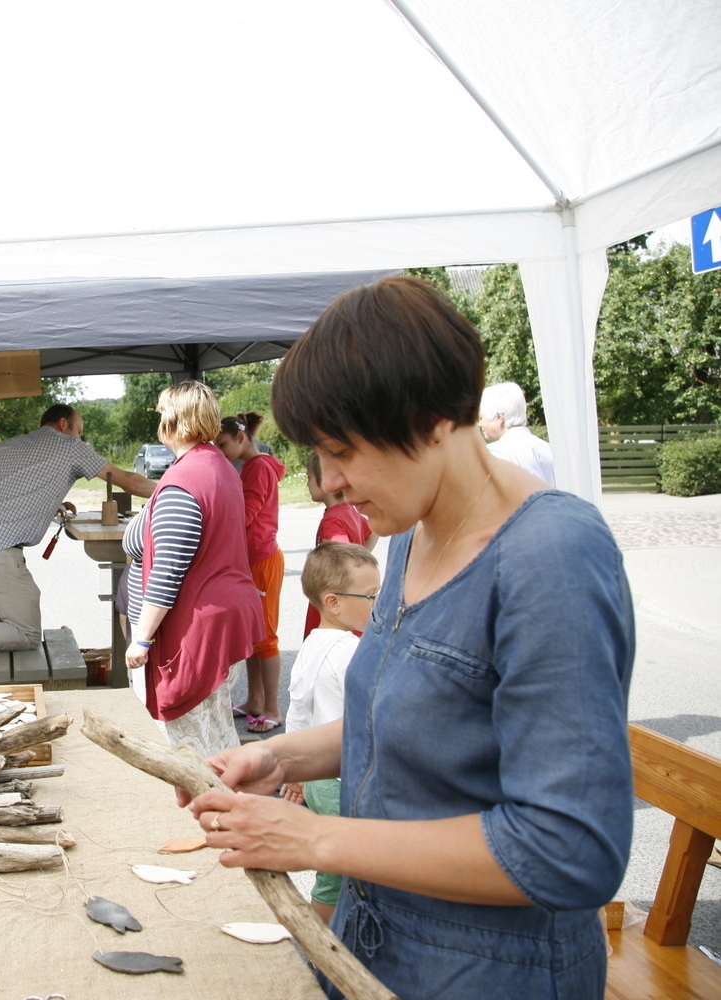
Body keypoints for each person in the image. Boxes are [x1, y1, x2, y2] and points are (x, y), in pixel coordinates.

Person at [183, 275, 634, 1000]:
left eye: (342, 451)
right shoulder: (414, 531)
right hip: (376, 943)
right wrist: (276, 755)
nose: (327, 483)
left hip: (487, 973)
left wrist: (314, 840)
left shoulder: (550, 556)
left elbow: (567, 851)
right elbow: (403, 717)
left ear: (430, 420)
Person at [0, 404, 155, 686]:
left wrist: (25, 507)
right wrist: (174, 487)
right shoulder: (71, 447)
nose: (81, 439)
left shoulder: (4, 447)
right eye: (80, 432)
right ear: (64, 425)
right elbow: (128, 480)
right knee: (27, 633)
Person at [120, 382, 265, 760]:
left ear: (171, 423)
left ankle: (211, 813)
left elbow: (167, 570)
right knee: (216, 732)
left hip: (195, 631)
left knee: (189, 746)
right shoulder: (217, 465)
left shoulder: (185, 481)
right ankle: (229, 806)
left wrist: (142, 638)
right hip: (222, 620)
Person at [281, 541, 379, 923]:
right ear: (334, 602)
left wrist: (299, 773)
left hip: (321, 780)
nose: (379, 603)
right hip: (345, 781)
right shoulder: (350, 651)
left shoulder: (312, 644)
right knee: (339, 874)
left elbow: (298, 708)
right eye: (371, 596)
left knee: (338, 869)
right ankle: (318, 943)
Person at [215, 411, 287, 733]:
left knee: (266, 638)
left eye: (222, 444)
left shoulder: (257, 468)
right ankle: (254, 700)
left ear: (241, 438)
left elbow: (245, 515)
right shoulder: (254, 466)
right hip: (253, 560)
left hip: (262, 561)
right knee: (254, 636)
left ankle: (272, 708)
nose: (219, 451)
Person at [302, 450, 376, 640]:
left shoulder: (333, 521)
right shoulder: (348, 511)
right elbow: (372, 531)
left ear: (326, 481)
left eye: (309, 477)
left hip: (334, 610)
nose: (307, 483)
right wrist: (362, 554)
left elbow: (339, 560)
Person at [480, 381, 555, 486]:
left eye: (482, 418)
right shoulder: (547, 448)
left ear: (498, 418)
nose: (480, 424)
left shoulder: (495, 453)